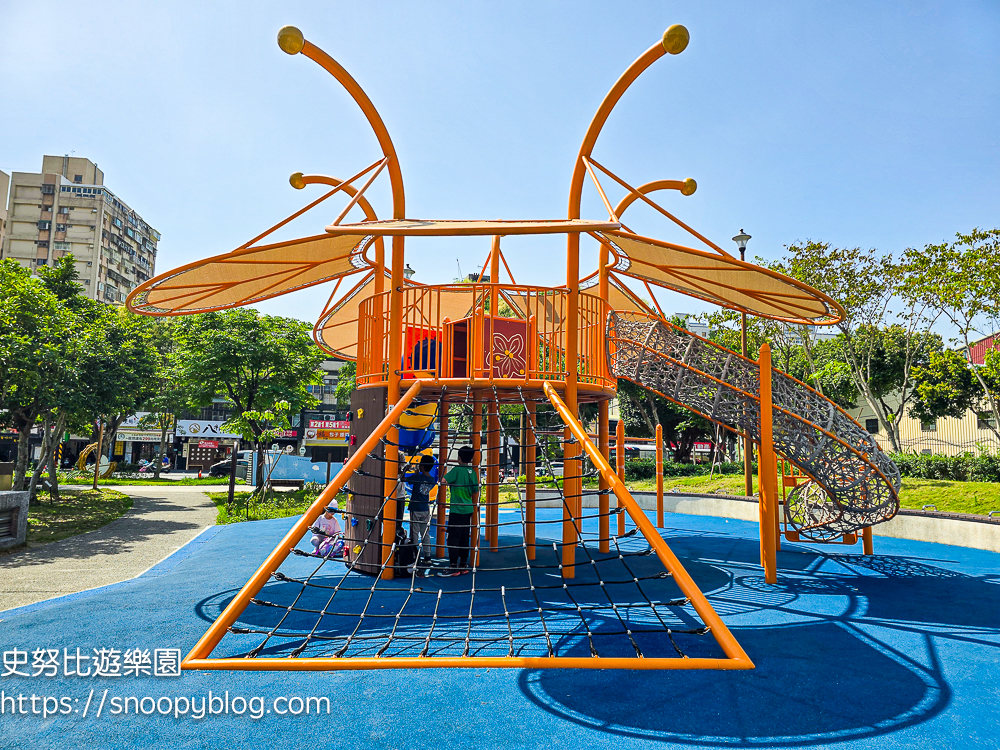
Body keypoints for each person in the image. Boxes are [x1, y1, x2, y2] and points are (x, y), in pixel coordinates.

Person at [440, 445, 479, 575]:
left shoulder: (456, 470)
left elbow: (443, 481)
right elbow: (475, 490)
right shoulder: (472, 472)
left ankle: (453, 565)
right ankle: (463, 564)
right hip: (468, 509)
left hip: (457, 509)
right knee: (464, 536)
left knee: (453, 537)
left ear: (459, 458)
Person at [402, 453, 437, 575]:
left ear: (421, 466)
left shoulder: (417, 478)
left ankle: (414, 555)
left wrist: (407, 470)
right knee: (425, 533)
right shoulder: (431, 480)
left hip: (415, 508)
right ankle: (428, 556)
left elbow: (403, 479)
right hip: (425, 509)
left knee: (414, 533)